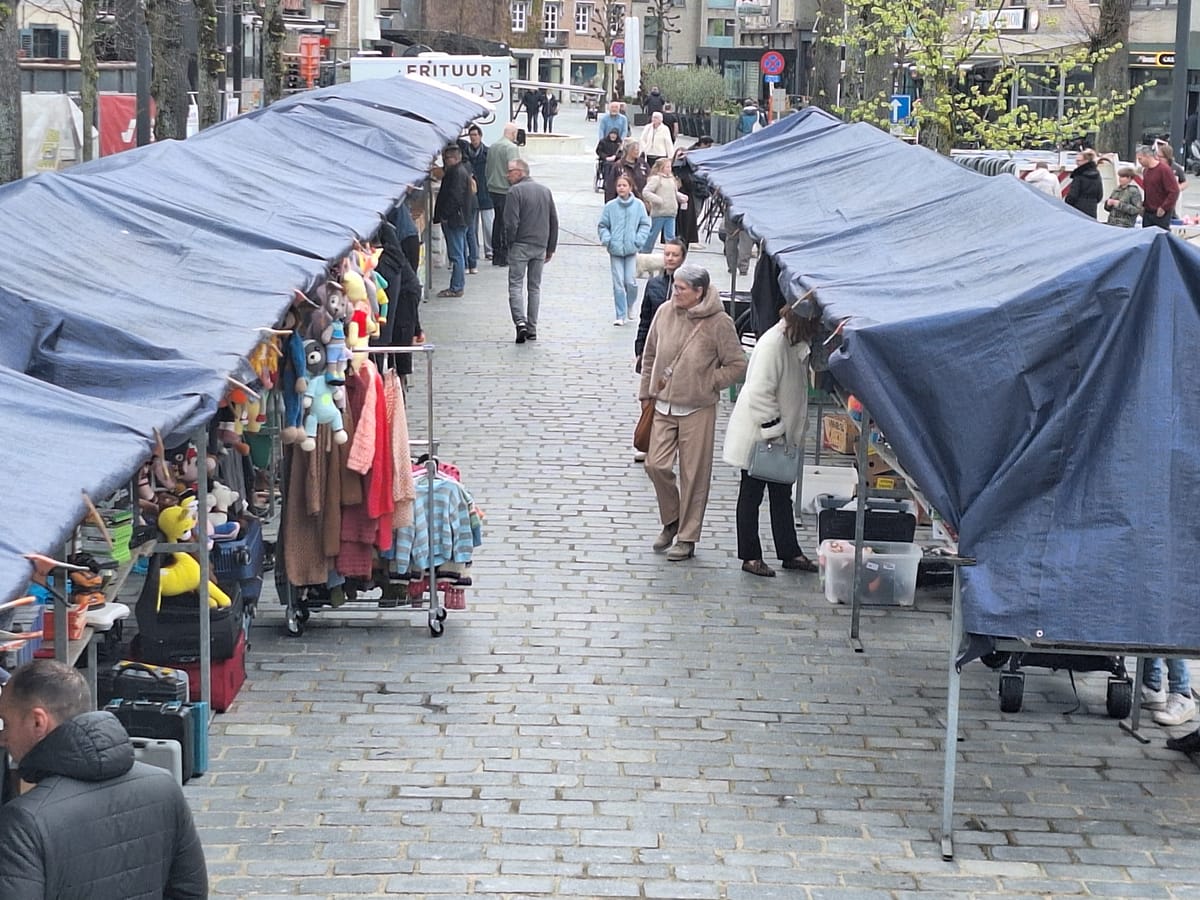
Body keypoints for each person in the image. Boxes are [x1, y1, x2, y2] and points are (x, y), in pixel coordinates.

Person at [0, 659, 208, 898]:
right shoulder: (164, 786)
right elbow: (191, 892)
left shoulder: (24, 821)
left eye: (6, 723)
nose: (3, 738)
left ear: (38, 722)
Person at [639, 263, 747, 561]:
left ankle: (687, 536)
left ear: (698, 292)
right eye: (674, 286)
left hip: (698, 408)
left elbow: (737, 364)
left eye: (681, 289)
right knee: (655, 465)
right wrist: (646, 394)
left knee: (694, 475)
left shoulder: (719, 323)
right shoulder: (664, 312)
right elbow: (650, 354)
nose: (675, 292)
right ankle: (671, 518)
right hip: (662, 405)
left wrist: (709, 382)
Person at [721, 304, 820, 578]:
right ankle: (750, 556)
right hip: (760, 436)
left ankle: (789, 552)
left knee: (780, 495)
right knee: (751, 494)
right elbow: (759, 392)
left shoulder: (790, 342)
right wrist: (775, 430)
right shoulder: (774, 344)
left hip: (778, 437)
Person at [504, 159, 558, 344]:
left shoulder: (514, 192)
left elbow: (511, 222)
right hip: (540, 245)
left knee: (516, 285)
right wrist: (550, 247)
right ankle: (532, 328)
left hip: (520, 244)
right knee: (534, 287)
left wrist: (509, 243)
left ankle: (520, 323)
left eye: (510, 171)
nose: (507, 175)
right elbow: (553, 220)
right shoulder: (545, 191)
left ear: (519, 172)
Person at [599, 174, 651, 326]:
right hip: (615, 250)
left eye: (624, 185)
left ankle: (630, 304)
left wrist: (638, 240)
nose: (621, 188)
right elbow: (603, 225)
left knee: (630, 281)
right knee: (618, 283)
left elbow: (644, 224)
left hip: (631, 249)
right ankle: (620, 314)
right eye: (619, 186)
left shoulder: (639, 205)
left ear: (630, 187)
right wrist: (607, 239)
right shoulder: (610, 206)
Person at [635, 238, 687, 373]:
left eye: (675, 255)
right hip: (656, 345)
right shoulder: (653, 284)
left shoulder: (690, 286)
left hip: (681, 348)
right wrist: (640, 349)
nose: (670, 258)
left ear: (683, 258)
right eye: (667, 254)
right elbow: (645, 319)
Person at [431, 144, 473, 297]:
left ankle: (456, 287)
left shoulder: (456, 173)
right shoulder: (460, 171)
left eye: (446, 158)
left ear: (454, 158)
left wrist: (445, 215)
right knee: (459, 252)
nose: (444, 161)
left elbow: (454, 197)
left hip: (455, 219)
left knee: (456, 255)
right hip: (460, 218)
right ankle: (457, 285)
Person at [485, 122, 521, 266]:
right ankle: (504, 254)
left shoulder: (493, 146)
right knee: (507, 223)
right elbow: (514, 170)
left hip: (493, 188)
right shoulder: (511, 148)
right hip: (506, 189)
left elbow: (488, 168)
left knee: (497, 220)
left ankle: (496, 253)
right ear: (513, 134)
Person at [458, 124, 494, 262]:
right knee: (472, 226)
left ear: (480, 136)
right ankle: (474, 253)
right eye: (471, 135)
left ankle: (489, 250)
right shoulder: (465, 153)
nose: (473, 138)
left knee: (488, 224)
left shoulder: (487, 152)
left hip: (485, 192)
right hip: (471, 195)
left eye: (475, 135)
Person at [674, 137, 714, 246]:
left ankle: (690, 235)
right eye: (708, 146)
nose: (709, 149)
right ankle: (689, 236)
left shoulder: (694, 154)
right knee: (694, 213)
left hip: (700, 187)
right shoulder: (691, 155)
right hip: (695, 188)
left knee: (696, 212)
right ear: (702, 144)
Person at [1135, 143, 1180, 230]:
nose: (1139, 162)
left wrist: (1164, 207)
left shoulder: (1164, 170)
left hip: (1161, 212)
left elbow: (1174, 191)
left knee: (1160, 237)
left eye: (1140, 159)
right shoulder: (1146, 171)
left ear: (1147, 156)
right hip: (1148, 212)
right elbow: (1148, 190)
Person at [641, 157, 680, 252]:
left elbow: (673, 192)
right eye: (667, 167)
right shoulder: (656, 179)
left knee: (670, 236)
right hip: (659, 212)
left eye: (670, 167)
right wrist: (657, 200)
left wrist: (681, 197)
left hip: (671, 212)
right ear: (661, 168)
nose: (669, 169)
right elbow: (646, 192)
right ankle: (645, 252)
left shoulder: (672, 179)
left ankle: (671, 253)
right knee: (652, 235)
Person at [604, 139, 648, 203]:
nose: (637, 151)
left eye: (638, 149)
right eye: (635, 149)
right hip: (623, 202)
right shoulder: (618, 166)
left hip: (641, 203)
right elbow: (610, 187)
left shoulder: (643, 164)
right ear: (628, 150)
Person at [1064, 149, 1103, 218]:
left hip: (1077, 209)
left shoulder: (1079, 175)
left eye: (1079, 161)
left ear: (1086, 161)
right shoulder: (1097, 175)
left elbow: (1073, 195)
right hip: (1092, 208)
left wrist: (1067, 203)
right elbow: (1100, 195)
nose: (1076, 163)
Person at [1156, 141, 1187, 217]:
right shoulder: (1156, 165)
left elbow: (1184, 182)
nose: (1158, 159)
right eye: (1157, 156)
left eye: (1161, 157)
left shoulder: (1176, 168)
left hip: (1170, 199)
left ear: (1167, 157)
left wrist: (1178, 188)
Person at [595, 127, 623, 192]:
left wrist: (615, 156)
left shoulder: (620, 143)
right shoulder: (603, 141)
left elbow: (622, 153)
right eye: (612, 134)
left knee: (615, 166)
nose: (613, 136)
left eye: (615, 135)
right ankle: (607, 183)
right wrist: (606, 157)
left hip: (615, 161)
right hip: (605, 161)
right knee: (607, 165)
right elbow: (598, 151)